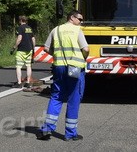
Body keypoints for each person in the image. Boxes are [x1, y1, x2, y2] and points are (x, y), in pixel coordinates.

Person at [37, 10, 88, 141]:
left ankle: (47, 129)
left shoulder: (56, 30)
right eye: (80, 19)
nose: (81, 22)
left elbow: (46, 48)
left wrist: (56, 55)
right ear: (72, 17)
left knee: (56, 96)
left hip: (58, 67)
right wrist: (83, 58)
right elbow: (86, 49)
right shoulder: (77, 31)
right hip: (75, 68)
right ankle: (70, 133)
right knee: (73, 98)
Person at [12, 15, 35, 87]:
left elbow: (19, 38)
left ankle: (19, 83)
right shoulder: (29, 28)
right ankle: (28, 82)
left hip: (21, 50)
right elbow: (33, 39)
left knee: (18, 66)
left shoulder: (20, 28)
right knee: (28, 66)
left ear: (20, 21)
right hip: (29, 49)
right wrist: (33, 48)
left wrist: (14, 47)